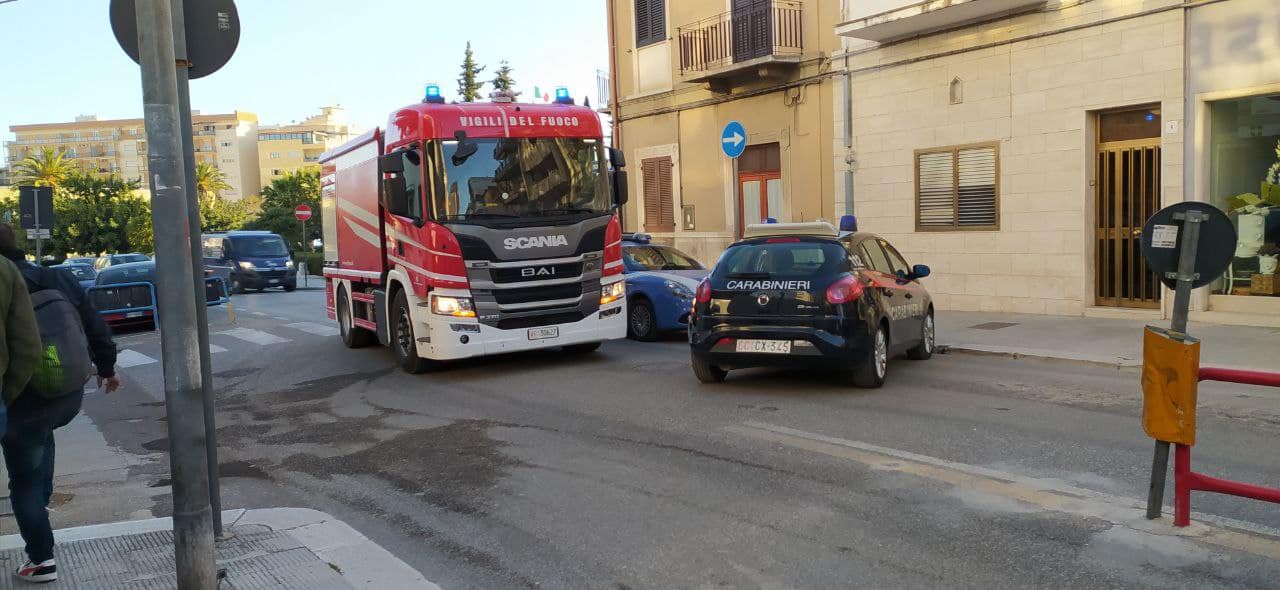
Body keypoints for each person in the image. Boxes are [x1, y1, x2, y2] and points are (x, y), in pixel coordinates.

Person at [0, 224, 119, 584]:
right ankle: (40, 513)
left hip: (20, 397)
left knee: (24, 480)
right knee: (37, 451)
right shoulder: (57, 278)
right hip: (63, 394)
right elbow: (94, 325)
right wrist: (107, 368)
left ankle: (41, 559)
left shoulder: (6, 282)